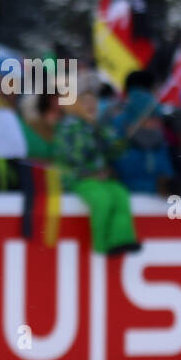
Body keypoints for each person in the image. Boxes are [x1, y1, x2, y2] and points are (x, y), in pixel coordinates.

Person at [55, 86, 140, 255]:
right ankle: (102, 243)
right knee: (102, 200)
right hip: (78, 178)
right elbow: (73, 156)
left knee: (120, 195)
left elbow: (116, 152)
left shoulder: (100, 126)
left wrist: (125, 138)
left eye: (94, 102)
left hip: (100, 178)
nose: (90, 106)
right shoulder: (70, 126)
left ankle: (122, 239)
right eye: (85, 102)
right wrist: (93, 172)